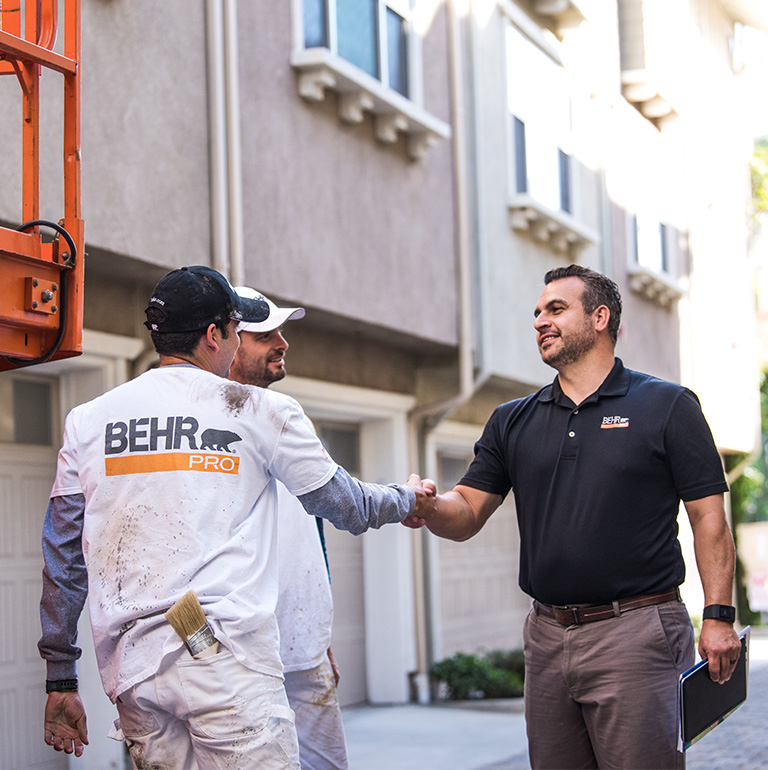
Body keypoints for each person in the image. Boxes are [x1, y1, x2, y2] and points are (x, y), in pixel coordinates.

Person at [38, 265, 431, 769]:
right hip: (224, 661)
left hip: (135, 672)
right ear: (214, 335)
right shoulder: (258, 409)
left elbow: (63, 555)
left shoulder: (88, 421)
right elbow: (345, 503)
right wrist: (408, 498)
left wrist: (60, 677)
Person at [404, 264, 742, 770]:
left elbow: (709, 519)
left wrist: (718, 616)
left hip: (637, 631)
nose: (540, 320)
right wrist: (430, 506)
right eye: (537, 312)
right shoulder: (512, 419)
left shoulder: (667, 406)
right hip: (546, 635)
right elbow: (469, 508)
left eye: (556, 309)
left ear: (600, 317)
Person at [229, 285, 348, 770]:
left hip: (304, 649)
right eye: (266, 335)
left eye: (281, 332)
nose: (283, 343)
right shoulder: (205, 430)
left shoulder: (285, 421)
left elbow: (311, 527)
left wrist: (318, 634)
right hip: (240, 657)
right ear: (224, 340)